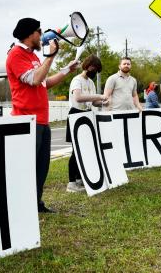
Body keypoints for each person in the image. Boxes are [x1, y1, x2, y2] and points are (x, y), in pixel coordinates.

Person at [6, 17, 79, 213]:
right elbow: (35, 80)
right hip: (27, 118)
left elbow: (45, 83)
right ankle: (24, 205)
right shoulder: (16, 54)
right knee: (28, 168)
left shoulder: (33, 56)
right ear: (30, 34)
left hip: (41, 119)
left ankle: (35, 203)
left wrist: (66, 70)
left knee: (42, 166)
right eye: (39, 31)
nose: (42, 35)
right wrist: (51, 55)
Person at [65, 54, 104, 192]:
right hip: (76, 113)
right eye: (94, 68)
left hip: (87, 114)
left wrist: (104, 101)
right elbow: (78, 97)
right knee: (76, 150)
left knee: (84, 148)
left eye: (97, 70)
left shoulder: (91, 83)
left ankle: (79, 178)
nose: (94, 71)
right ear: (88, 66)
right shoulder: (77, 80)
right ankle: (71, 183)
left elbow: (93, 101)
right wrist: (99, 96)